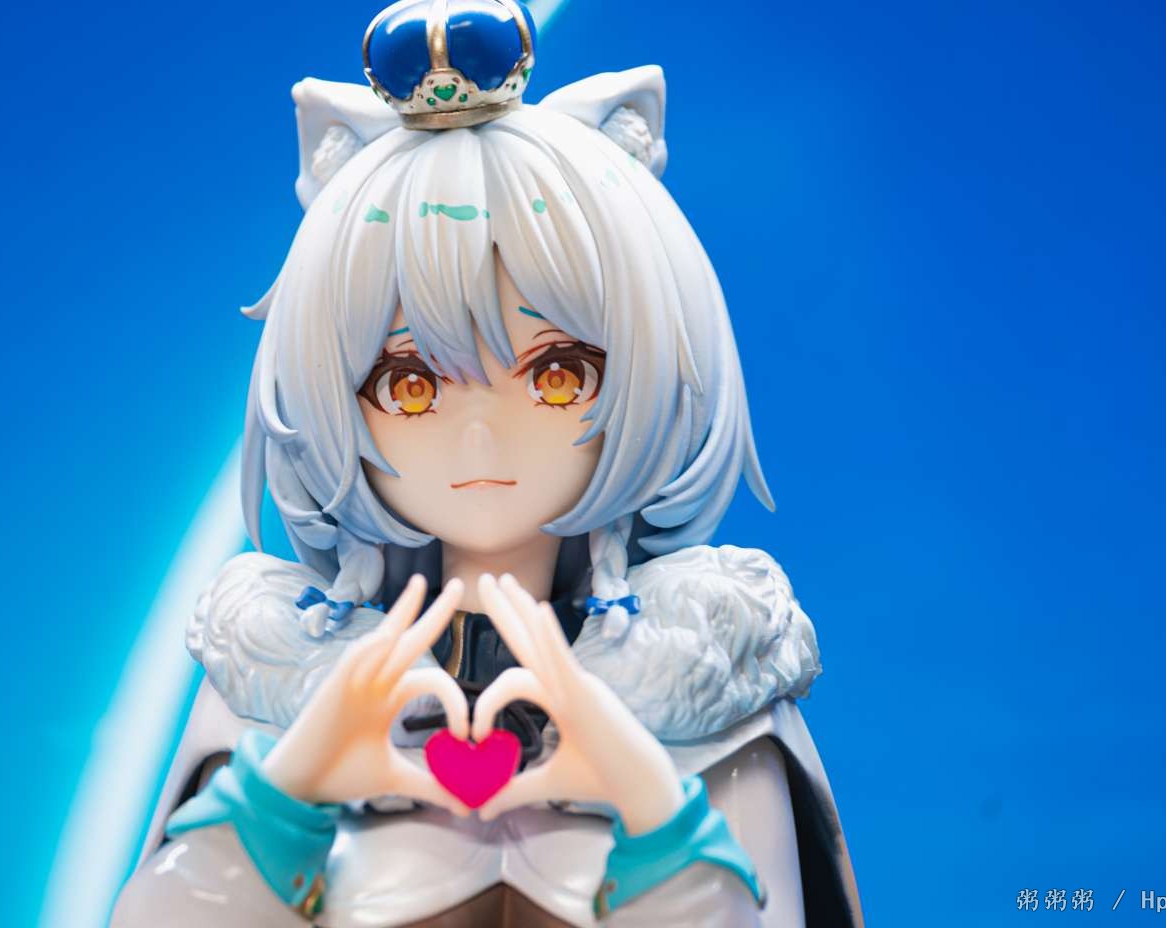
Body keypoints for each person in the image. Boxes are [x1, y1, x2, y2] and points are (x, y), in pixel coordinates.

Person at [112, 2, 863, 924]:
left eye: (557, 375)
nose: (478, 439)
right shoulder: (279, 696)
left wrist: (652, 802)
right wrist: (286, 791)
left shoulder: (708, 700)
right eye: (410, 386)